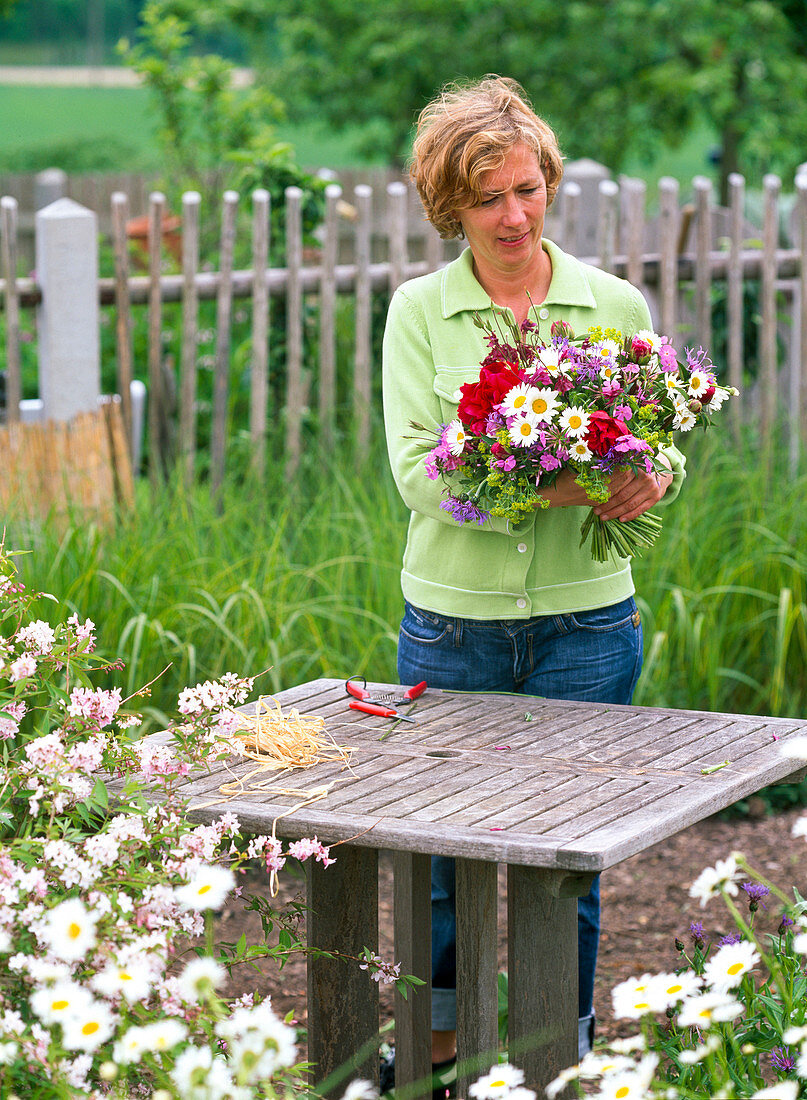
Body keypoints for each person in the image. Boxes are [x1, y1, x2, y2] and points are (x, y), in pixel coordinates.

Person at [381, 75, 686, 1074]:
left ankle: (562, 1060)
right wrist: (551, 486)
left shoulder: (612, 302)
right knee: (440, 865)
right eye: (487, 198)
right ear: (449, 207)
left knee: (568, 871)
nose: (514, 214)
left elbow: (658, 436)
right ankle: (435, 1057)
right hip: (451, 629)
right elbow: (420, 473)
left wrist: (652, 475)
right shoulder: (422, 311)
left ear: (548, 180)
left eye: (527, 188)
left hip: (586, 634)